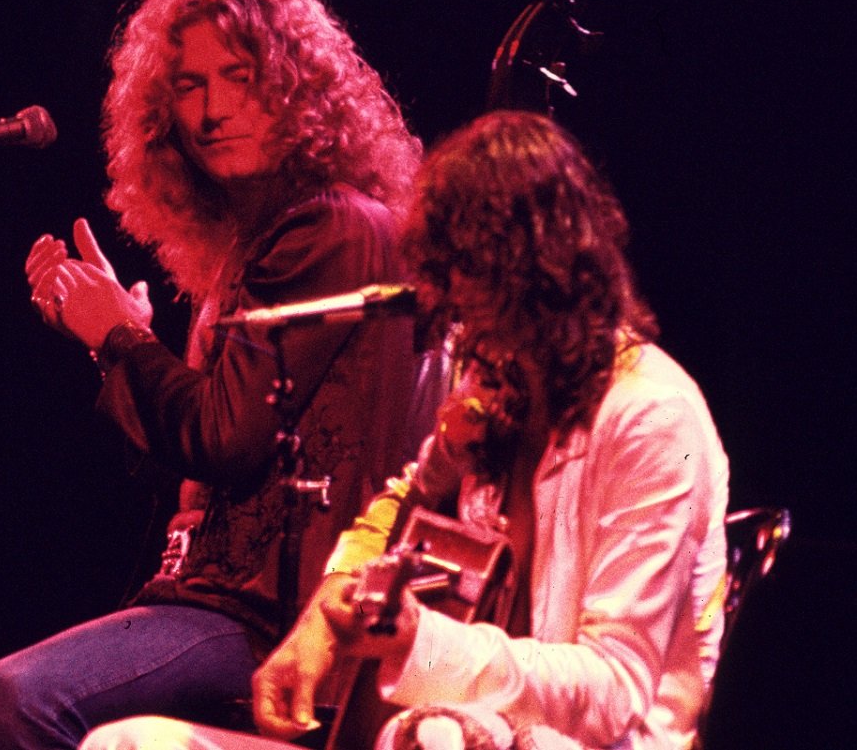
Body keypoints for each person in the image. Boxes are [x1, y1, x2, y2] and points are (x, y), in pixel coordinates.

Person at [80, 110, 731, 750]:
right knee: (130, 742)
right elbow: (407, 497)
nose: (457, 308)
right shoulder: (501, 384)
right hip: (466, 727)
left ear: (543, 272)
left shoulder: (649, 416)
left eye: (474, 280)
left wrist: (425, 641)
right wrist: (325, 614)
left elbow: (614, 691)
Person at [0, 0, 431, 750]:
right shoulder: (251, 247)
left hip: (278, 616)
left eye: (238, 77)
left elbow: (223, 439)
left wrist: (121, 336)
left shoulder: (329, 226)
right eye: (188, 86)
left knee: (10, 700)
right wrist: (115, 342)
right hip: (216, 601)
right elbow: (196, 466)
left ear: (294, 88)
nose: (211, 110)